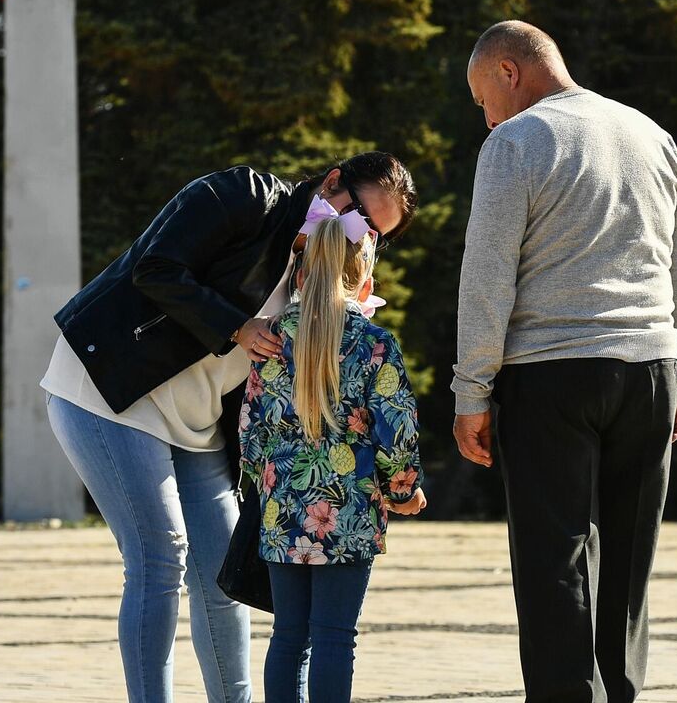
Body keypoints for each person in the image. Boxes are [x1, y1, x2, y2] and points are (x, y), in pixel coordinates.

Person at [43, 153, 416, 703]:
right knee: (159, 557)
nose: (356, 235)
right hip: (109, 389)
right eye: (358, 215)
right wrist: (236, 327)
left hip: (197, 422)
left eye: (373, 233)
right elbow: (155, 267)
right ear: (332, 181)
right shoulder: (242, 194)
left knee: (220, 572)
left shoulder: (319, 269)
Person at [451, 21, 677, 703]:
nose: (485, 116)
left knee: (553, 556)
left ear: (510, 71)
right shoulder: (651, 135)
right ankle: (619, 693)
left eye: (482, 97)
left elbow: (487, 275)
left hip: (551, 370)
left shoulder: (517, 142)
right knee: (627, 559)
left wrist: (470, 391)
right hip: (648, 366)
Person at [240, 208, 426, 703]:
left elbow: (251, 437)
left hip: (282, 513)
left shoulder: (272, 340)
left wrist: (271, 489)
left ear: (302, 272)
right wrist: (403, 489)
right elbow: (397, 430)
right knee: (334, 638)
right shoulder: (374, 344)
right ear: (363, 274)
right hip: (349, 514)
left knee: (287, 638)